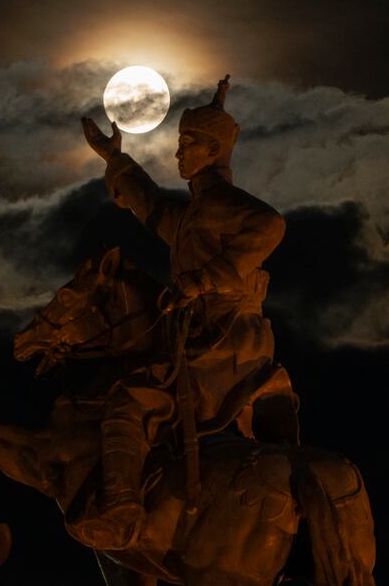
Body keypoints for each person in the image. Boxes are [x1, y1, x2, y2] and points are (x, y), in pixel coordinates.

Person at [77, 75, 299, 550]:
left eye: (189, 145)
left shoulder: (224, 205)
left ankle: (121, 508)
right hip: (207, 338)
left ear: (214, 151)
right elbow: (150, 206)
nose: (179, 154)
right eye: (180, 144)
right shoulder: (192, 213)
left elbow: (270, 224)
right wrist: (115, 159)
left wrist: (206, 279)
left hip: (226, 343)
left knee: (129, 401)